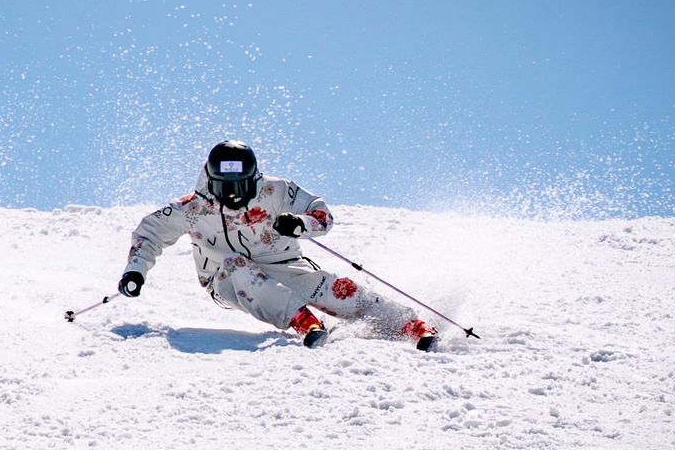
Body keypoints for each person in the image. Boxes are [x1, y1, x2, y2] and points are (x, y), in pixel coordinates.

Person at [117, 140, 438, 349]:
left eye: (241, 185)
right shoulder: (193, 208)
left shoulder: (275, 190)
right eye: (224, 186)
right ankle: (301, 319)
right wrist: (136, 271)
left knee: (331, 286)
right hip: (226, 280)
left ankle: (407, 324)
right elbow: (149, 233)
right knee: (237, 265)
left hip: (284, 267)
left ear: (254, 177)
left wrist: (301, 224)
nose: (232, 195)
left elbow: (321, 213)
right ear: (211, 181)